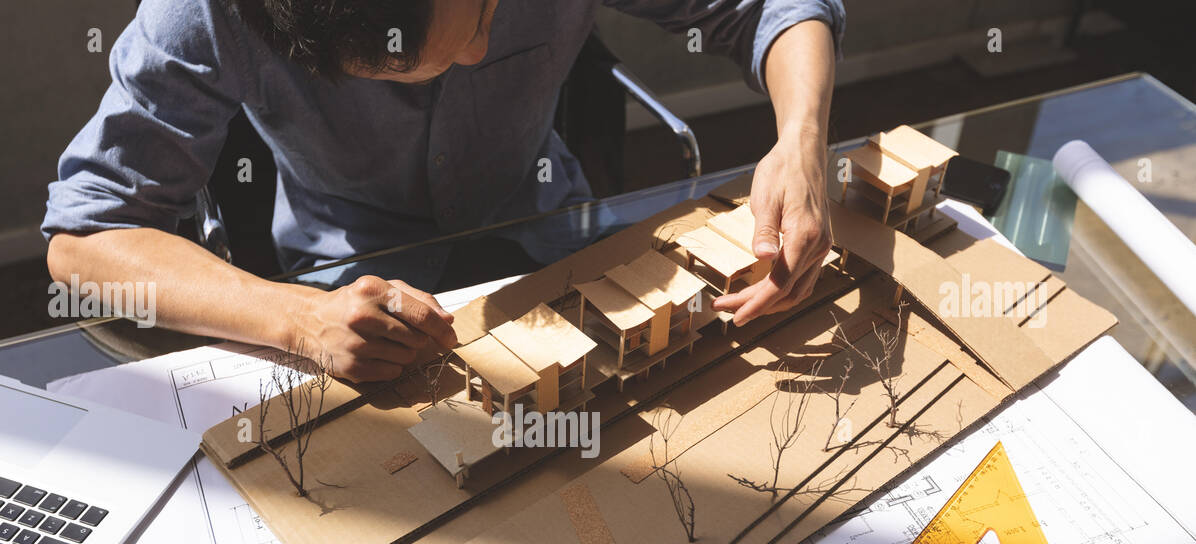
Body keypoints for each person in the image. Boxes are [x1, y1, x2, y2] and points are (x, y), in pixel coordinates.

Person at [43, 0, 845, 382]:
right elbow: (85, 241)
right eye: (458, 39)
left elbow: (772, 6)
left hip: (550, 230)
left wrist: (803, 139)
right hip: (350, 280)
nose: (488, 45)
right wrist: (296, 319)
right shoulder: (208, 12)